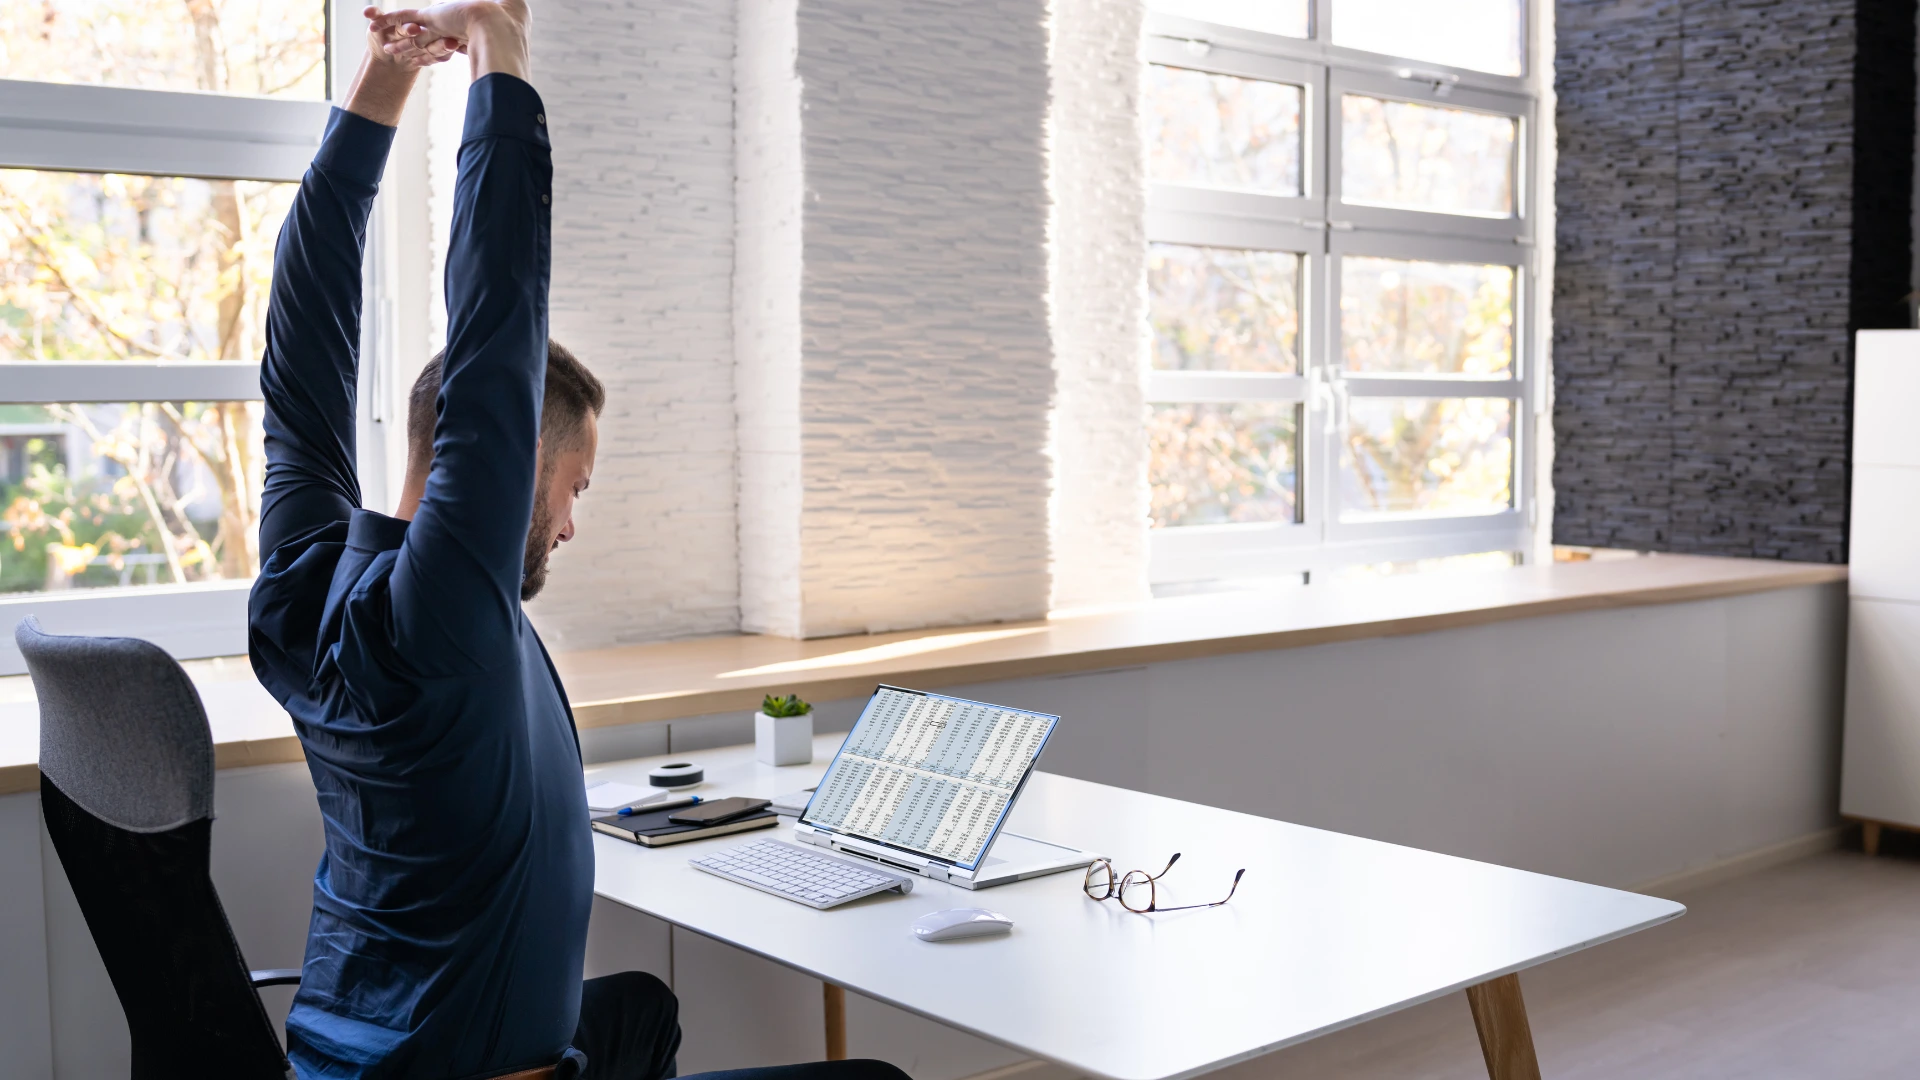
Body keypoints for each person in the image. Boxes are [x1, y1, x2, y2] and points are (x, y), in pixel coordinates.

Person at [249, 5, 909, 1080]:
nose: (567, 522)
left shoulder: (300, 591)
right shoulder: (446, 615)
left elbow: (304, 346)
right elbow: (496, 315)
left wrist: (383, 82)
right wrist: (501, 52)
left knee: (639, 1010)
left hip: (341, 1055)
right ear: (500, 467)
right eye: (570, 487)